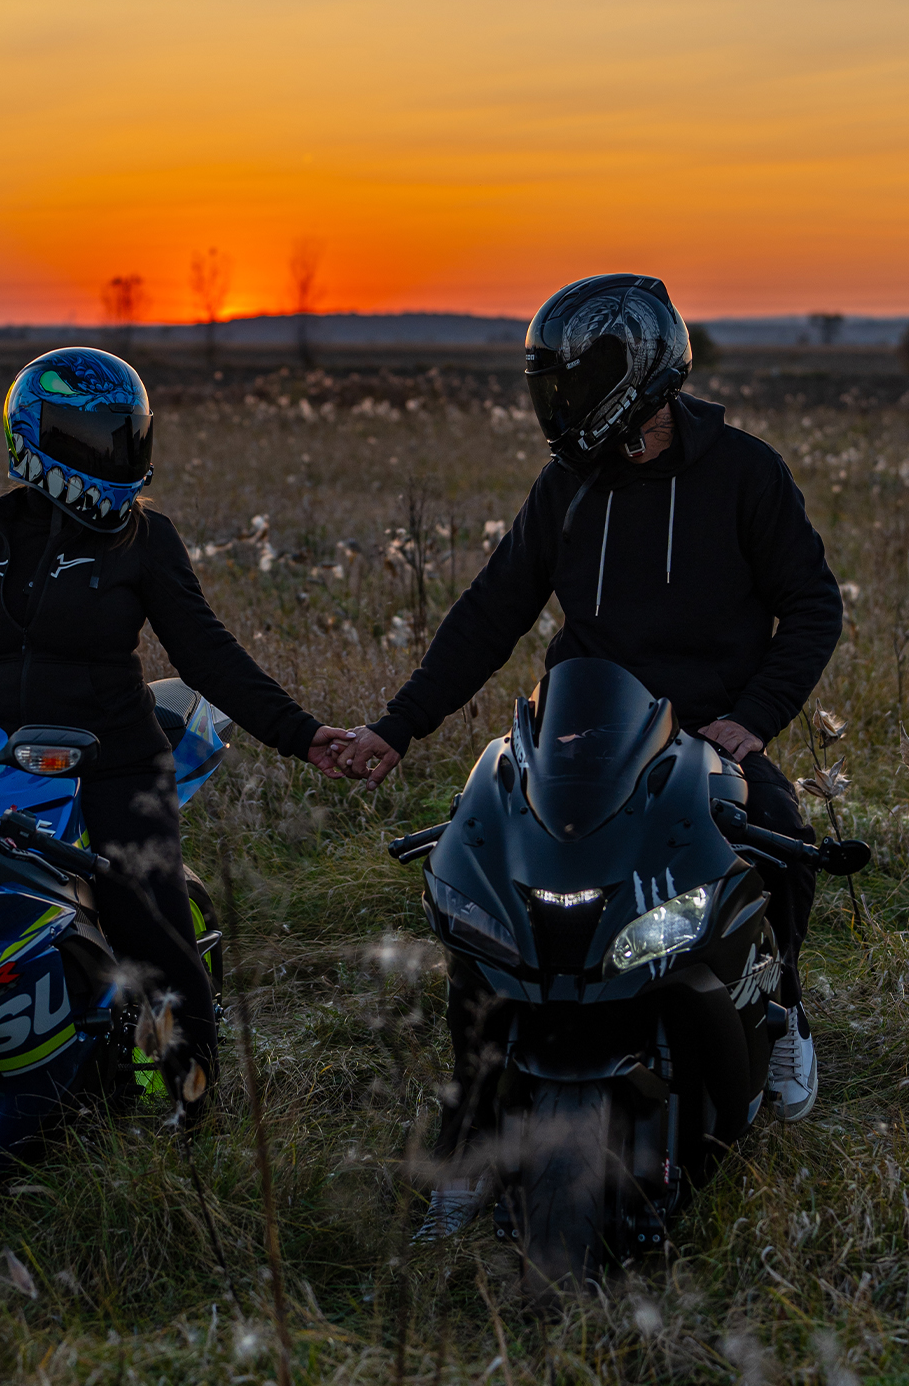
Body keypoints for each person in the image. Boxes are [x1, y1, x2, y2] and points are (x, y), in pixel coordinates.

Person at [335, 271, 843, 1151]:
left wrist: (753, 718)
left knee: (781, 834)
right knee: (480, 862)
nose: (557, 404)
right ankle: (478, 1102)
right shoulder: (564, 487)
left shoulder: (743, 472)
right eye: (549, 384)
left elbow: (812, 605)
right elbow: (490, 613)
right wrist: (396, 725)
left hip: (707, 731)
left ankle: (783, 1005)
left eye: (574, 383)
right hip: (582, 730)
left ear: (636, 377)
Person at [0, 347, 350, 1119]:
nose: (111, 451)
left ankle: (194, 1116)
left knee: (151, 935)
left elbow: (207, 655)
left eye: (124, 434)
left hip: (114, 767)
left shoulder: (144, 540)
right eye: (91, 434)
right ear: (35, 435)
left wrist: (302, 734)